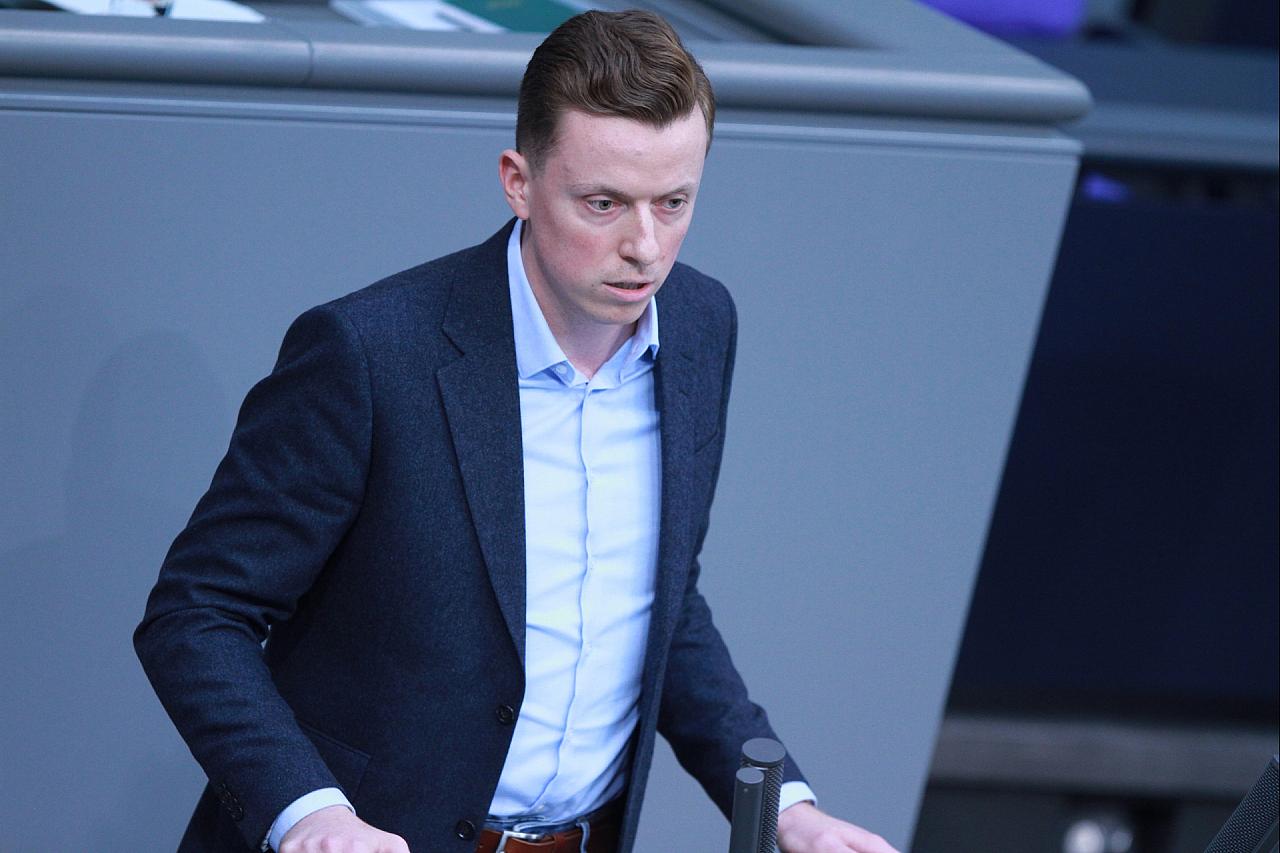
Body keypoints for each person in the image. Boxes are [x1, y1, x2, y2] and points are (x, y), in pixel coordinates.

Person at [135, 10, 899, 853]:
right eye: (604, 203)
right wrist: (311, 813)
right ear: (518, 182)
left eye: (674, 202)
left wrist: (788, 807)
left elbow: (663, 606)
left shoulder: (701, 326)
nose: (645, 247)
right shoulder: (370, 354)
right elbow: (197, 613)